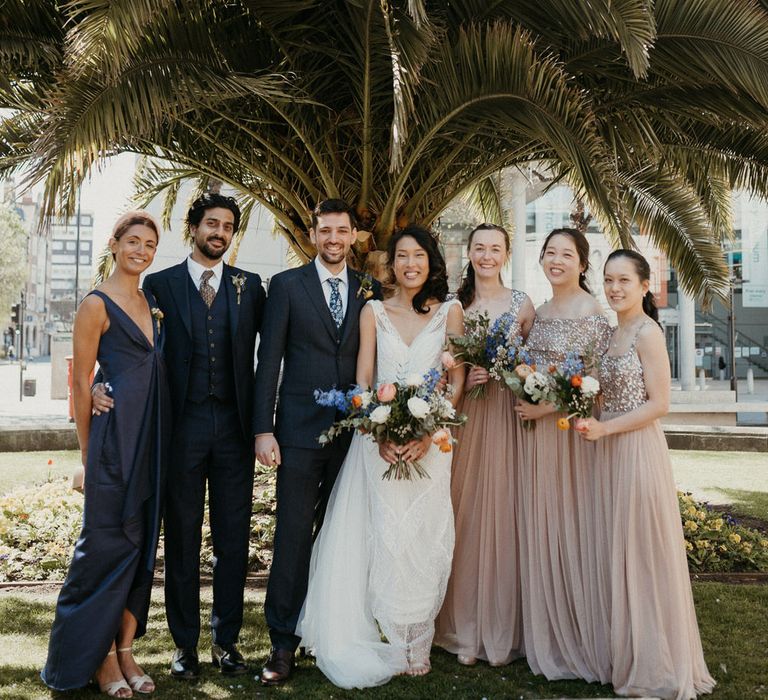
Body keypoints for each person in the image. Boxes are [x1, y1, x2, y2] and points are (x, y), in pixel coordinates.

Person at [94, 193, 266, 679]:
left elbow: (269, 353)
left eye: (228, 226)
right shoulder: (160, 285)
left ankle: (227, 642)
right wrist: (94, 382)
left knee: (233, 541)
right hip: (181, 429)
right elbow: (125, 339)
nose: (219, 232)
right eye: (211, 223)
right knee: (183, 540)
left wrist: (261, 428)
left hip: (234, 431)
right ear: (193, 227)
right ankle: (185, 646)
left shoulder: (248, 286)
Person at [296, 225, 465, 688]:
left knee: (426, 534)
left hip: (433, 444)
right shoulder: (373, 311)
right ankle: (390, 635)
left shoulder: (451, 311)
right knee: (386, 534)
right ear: (392, 264)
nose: (410, 264)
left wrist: (431, 433)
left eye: (419, 256)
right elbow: (364, 379)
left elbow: (456, 381)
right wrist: (377, 432)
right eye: (402, 257)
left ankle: (418, 638)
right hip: (380, 445)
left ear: (432, 261)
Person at [577, 250, 716, 699]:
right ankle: (624, 652)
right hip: (605, 448)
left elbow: (659, 405)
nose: (615, 288)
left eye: (624, 281)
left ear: (644, 286)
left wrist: (606, 427)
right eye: (609, 280)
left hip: (635, 448)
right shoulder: (609, 333)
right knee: (614, 549)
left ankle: (656, 663)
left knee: (641, 552)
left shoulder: (647, 333)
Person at [254, 199, 382, 685]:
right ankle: (282, 642)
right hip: (298, 435)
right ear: (313, 235)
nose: (333, 239)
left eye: (341, 231)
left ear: (354, 237)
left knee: (341, 538)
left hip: (353, 436)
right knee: (291, 538)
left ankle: (329, 633)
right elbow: (270, 362)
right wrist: (263, 429)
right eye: (325, 230)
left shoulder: (369, 288)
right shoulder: (286, 286)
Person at [42, 211, 170, 697]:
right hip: (113, 445)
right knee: (102, 551)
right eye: (133, 241)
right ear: (114, 244)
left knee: (140, 551)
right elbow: (79, 382)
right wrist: (88, 455)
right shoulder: (95, 304)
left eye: (150, 244)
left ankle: (124, 651)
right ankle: (88, 660)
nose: (141, 250)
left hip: (152, 440)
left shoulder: (150, 299)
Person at [514, 228, 612, 684]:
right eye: (550, 253)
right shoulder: (541, 311)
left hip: (571, 435)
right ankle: (547, 633)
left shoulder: (594, 313)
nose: (556, 261)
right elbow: (531, 367)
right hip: (538, 439)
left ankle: (581, 632)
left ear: (582, 263)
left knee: (573, 526)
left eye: (566, 254)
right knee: (543, 527)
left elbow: (593, 381)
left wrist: (543, 406)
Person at [435, 223, 534, 667]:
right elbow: (449, 368)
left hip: (510, 419)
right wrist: (467, 374)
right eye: (480, 248)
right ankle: (464, 625)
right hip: (471, 419)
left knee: (508, 514)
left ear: (506, 254)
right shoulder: (457, 308)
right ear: (469, 253)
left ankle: (505, 626)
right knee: (467, 513)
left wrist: (520, 376)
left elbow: (536, 365)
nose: (487, 256)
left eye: (495, 249)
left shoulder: (523, 304)